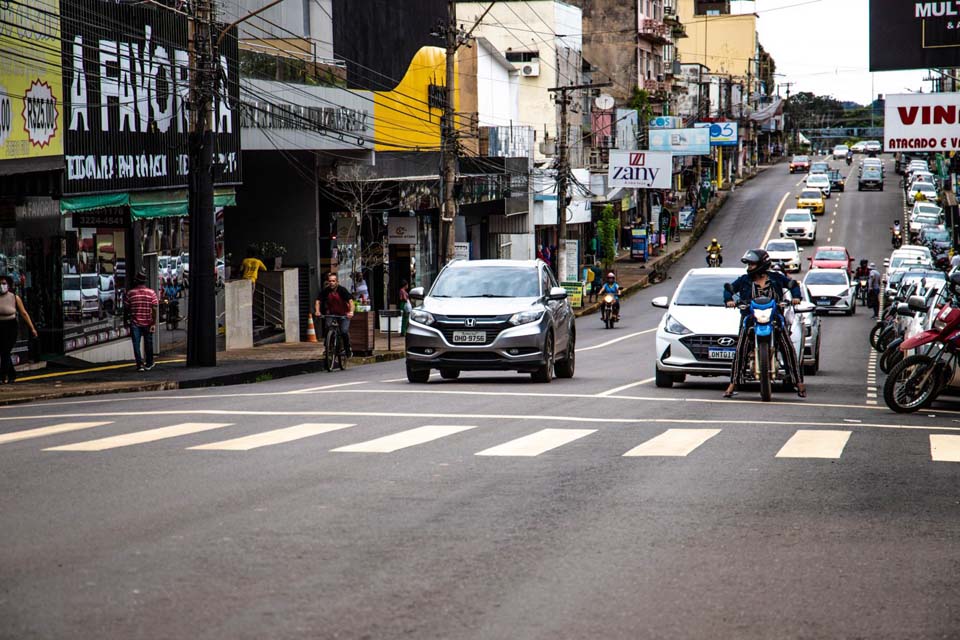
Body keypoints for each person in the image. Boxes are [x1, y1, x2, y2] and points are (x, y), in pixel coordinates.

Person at [722, 249, 805, 399]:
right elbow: (729, 289)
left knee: (788, 347)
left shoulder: (776, 278)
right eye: (748, 264)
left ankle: (798, 382)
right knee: (741, 348)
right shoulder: (744, 280)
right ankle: (733, 384)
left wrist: (796, 297)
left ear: (762, 264)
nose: (749, 267)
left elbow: (793, 285)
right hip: (751, 319)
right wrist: (729, 300)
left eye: (752, 264)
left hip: (774, 319)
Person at [0, 275, 37, 384]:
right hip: (0, 326)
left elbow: (24, 313)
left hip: (11, 327)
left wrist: (32, 328)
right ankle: (11, 374)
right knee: (3, 351)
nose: (2, 286)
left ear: (8, 285)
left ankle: (2, 376)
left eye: (4, 283)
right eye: (0, 283)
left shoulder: (14, 298)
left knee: (5, 351)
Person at [315, 272, 355, 357]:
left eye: (333, 281)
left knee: (344, 331)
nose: (331, 283)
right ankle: (328, 347)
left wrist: (351, 312)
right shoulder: (326, 291)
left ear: (337, 282)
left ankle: (347, 349)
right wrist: (317, 311)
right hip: (331, 314)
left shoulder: (342, 290)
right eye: (330, 281)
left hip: (343, 314)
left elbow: (351, 302)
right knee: (328, 327)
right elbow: (318, 301)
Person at [126, 272, 159, 371]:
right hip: (148, 322)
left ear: (136, 281)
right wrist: (153, 323)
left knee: (136, 344)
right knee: (148, 343)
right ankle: (149, 364)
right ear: (145, 282)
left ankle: (139, 365)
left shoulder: (130, 293)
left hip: (135, 323)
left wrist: (126, 320)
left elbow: (126, 308)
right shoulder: (151, 293)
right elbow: (154, 308)